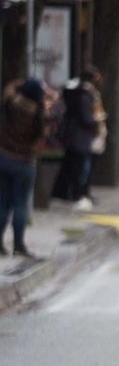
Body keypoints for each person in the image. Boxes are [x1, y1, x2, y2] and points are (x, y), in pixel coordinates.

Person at [0, 78, 48, 257]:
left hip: (3, 158)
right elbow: (42, 135)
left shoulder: (10, 105)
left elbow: (9, 88)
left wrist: (22, 82)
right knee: (20, 204)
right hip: (25, 163)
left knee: (2, 203)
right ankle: (18, 245)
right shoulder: (38, 114)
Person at [51, 67, 103, 211]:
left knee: (71, 167)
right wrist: (96, 120)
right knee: (79, 169)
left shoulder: (75, 94)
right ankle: (76, 195)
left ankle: (65, 194)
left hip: (74, 137)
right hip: (80, 138)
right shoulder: (85, 96)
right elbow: (86, 118)